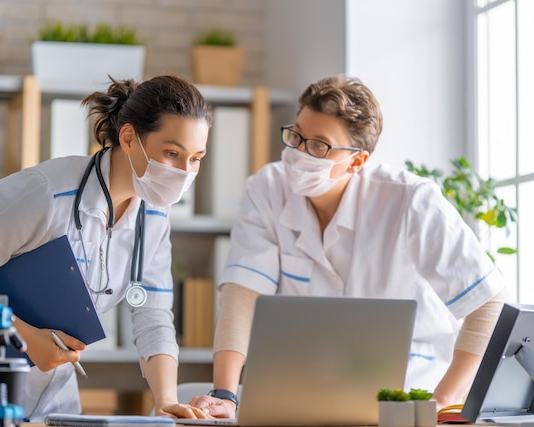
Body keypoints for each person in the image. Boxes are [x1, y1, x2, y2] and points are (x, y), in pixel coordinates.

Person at [189, 75, 508, 417]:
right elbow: (242, 293)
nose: (298, 153)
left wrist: (443, 402)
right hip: (305, 392)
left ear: (357, 161)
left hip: (408, 395)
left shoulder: (410, 200)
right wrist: (225, 392)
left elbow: (488, 303)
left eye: (318, 145)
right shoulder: (267, 188)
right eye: (296, 135)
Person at [0, 75, 213, 421]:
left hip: (56, 402)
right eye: (172, 153)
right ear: (128, 138)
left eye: (196, 158)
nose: (184, 172)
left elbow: (153, 314)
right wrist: (24, 337)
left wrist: (165, 399)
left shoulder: (153, 215)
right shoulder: (45, 192)